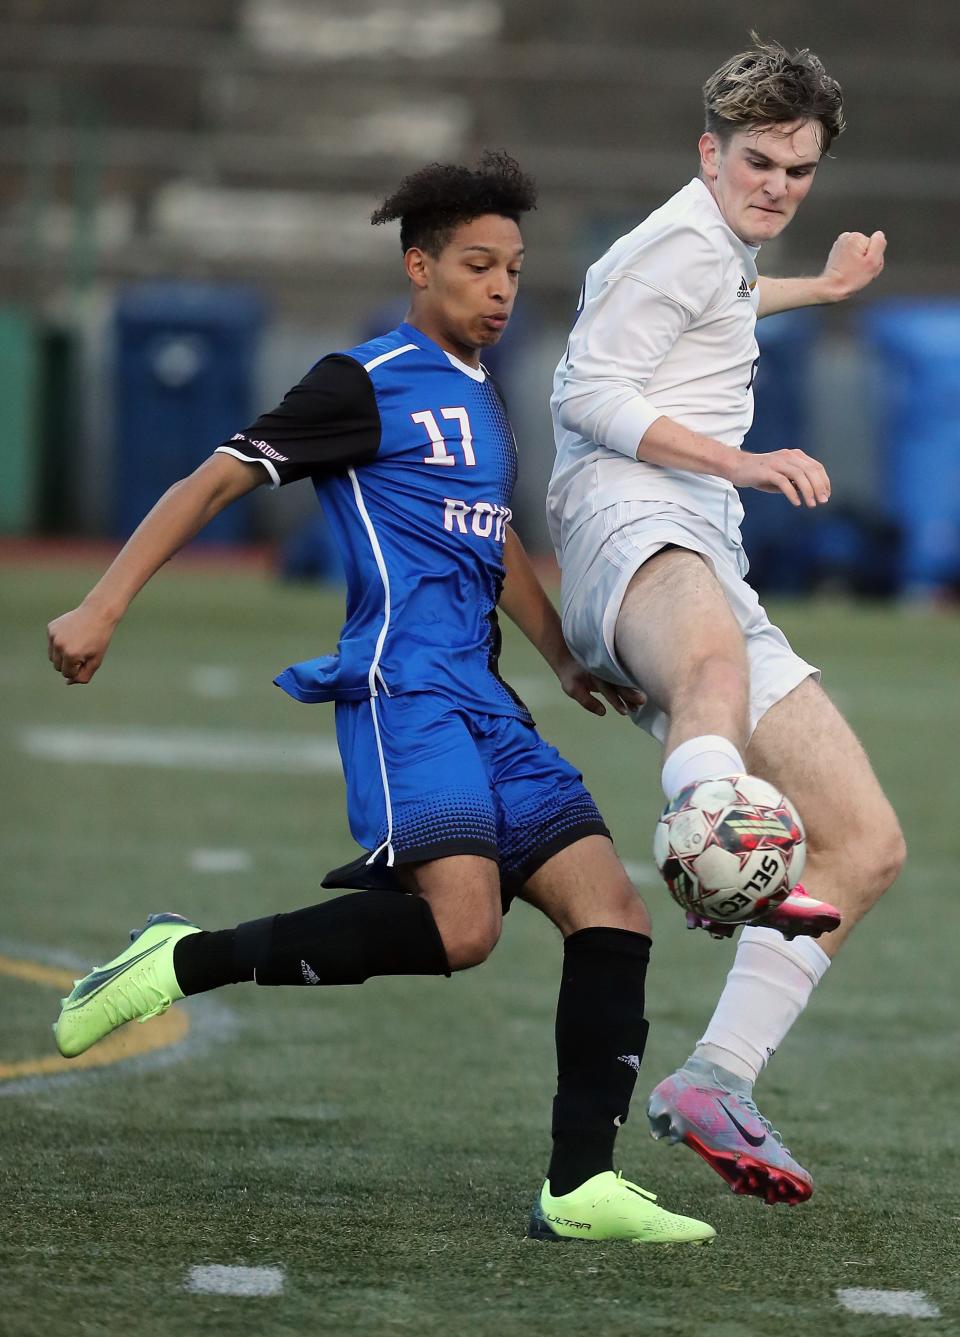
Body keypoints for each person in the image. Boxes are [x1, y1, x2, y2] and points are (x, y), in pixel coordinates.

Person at [47, 153, 716, 1245]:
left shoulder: (483, 396)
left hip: (487, 699)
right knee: (462, 931)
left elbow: (491, 537)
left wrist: (558, 658)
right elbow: (210, 478)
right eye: (476, 265)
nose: (501, 288)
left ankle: (580, 1183)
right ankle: (177, 956)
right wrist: (103, 605)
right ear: (419, 264)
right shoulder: (361, 381)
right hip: (403, 688)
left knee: (613, 911)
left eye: (513, 269)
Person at [547, 37, 906, 1206]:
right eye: (760, 162)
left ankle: (717, 1076)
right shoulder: (672, 241)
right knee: (708, 664)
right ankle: (708, 842)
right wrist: (741, 461)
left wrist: (826, 290)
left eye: (800, 170)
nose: (779, 187)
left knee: (862, 843)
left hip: (700, 543)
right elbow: (585, 391)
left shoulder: (717, 251)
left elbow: (728, 301)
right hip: (630, 514)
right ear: (711, 151)